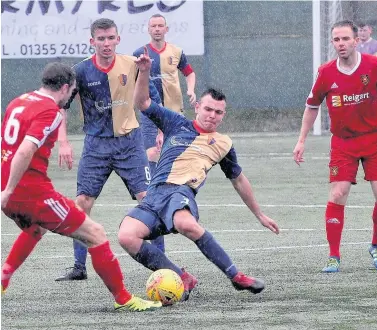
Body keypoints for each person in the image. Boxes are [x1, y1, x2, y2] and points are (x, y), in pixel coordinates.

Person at [116, 47, 280, 300]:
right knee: (126, 236)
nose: (212, 116)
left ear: (223, 116)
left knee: (185, 223)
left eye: (218, 112)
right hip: (155, 194)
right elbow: (143, 103)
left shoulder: (223, 143)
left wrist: (259, 214)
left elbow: (238, 180)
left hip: (181, 192)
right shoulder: (176, 123)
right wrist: (144, 71)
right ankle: (181, 277)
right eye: (208, 109)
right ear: (198, 108)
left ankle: (236, 276)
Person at [0, 62, 162, 312]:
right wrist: (10, 190)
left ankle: (3, 278)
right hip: (29, 193)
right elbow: (24, 150)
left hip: (12, 192)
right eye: (73, 91)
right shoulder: (49, 111)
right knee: (96, 234)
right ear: (64, 87)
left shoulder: (18, 101)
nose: (71, 97)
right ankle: (123, 298)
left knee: (37, 228)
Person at [55, 18, 161, 281]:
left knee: (150, 203)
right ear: (92, 42)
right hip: (96, 146)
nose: (106, 43)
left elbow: (150, 100)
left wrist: (161, 130)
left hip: (129, 144)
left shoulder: (132, 65)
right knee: (82, 204)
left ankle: (163, 267)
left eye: (110, 38)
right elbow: (61, 108)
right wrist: (64, 142)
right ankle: (79, 267)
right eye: (100, 39)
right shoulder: (79, 72)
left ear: (118, 39)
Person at [293, 20, 377, 273]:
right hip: (343, 143)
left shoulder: (374, 65)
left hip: (374, 141)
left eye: (345, 39)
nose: (341, 44)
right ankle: (334, 256)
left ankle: (376, 244)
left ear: (356, 40)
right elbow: (312, 106)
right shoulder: (326, 72)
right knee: (337, 193)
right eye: (336, 40)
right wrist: (301, 140)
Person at [133, 14, 197, 253]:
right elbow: (135, 84)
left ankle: (172, 194)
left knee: (175, 160)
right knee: (152, 156)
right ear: (148, 29)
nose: (157, 29)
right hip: (151, 115)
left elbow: (189, 73)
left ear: (166, 29)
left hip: (175, 113)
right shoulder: (140, 53)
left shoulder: (177, 52)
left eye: (160, 25)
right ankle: (155, 196)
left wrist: (191, 90)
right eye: (153, 26)